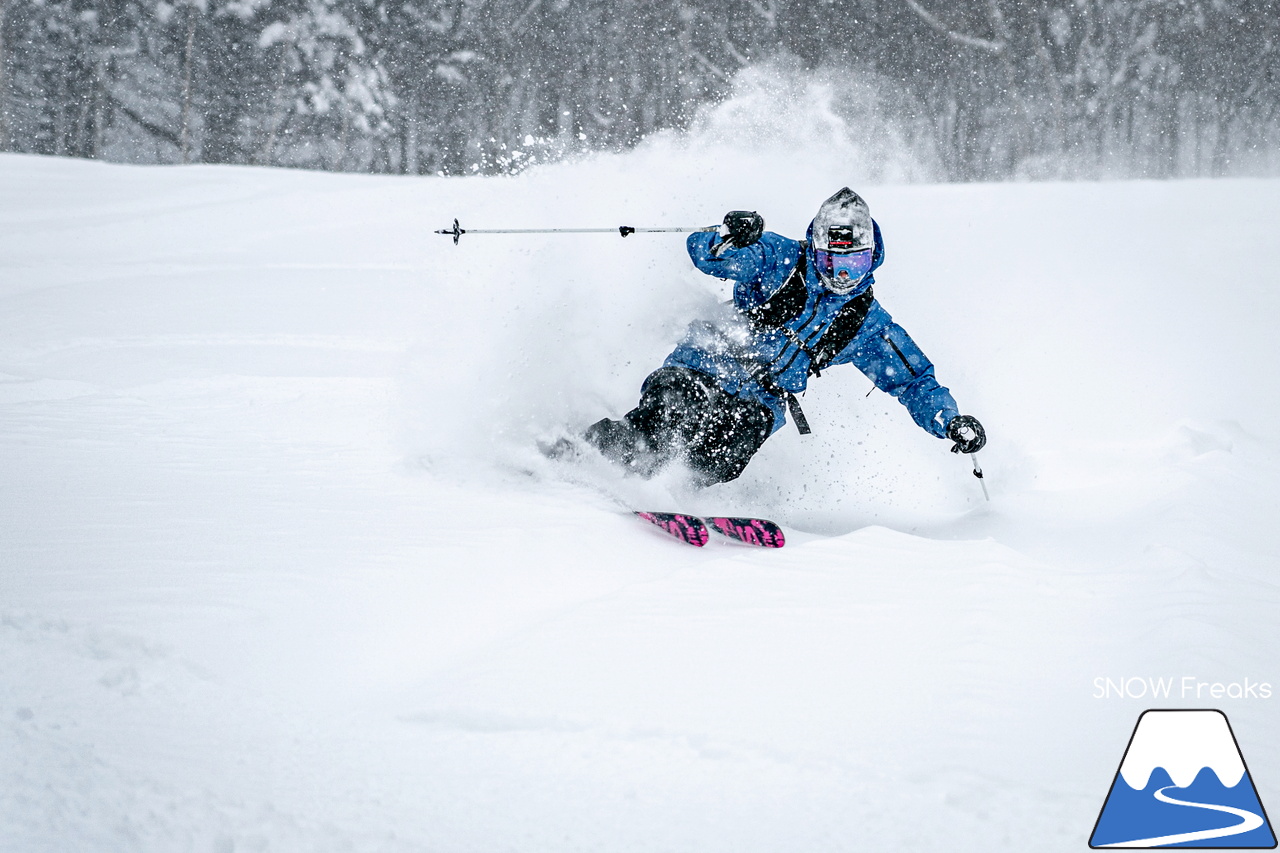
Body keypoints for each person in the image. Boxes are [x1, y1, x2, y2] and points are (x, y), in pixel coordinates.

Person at [582, 187, 985, 486]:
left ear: (872, 257)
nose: (843, 275)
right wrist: (732, 235)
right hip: (708, 362)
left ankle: (666, 493)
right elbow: (706, 255)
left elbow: (914, 381)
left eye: (855, 262)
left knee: (719, 455)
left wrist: (950, 422)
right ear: (816, 248)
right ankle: (592, 456)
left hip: (762, 397)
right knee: (668, 416)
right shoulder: (779, 258)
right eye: (833, 260)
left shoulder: (868, 325)